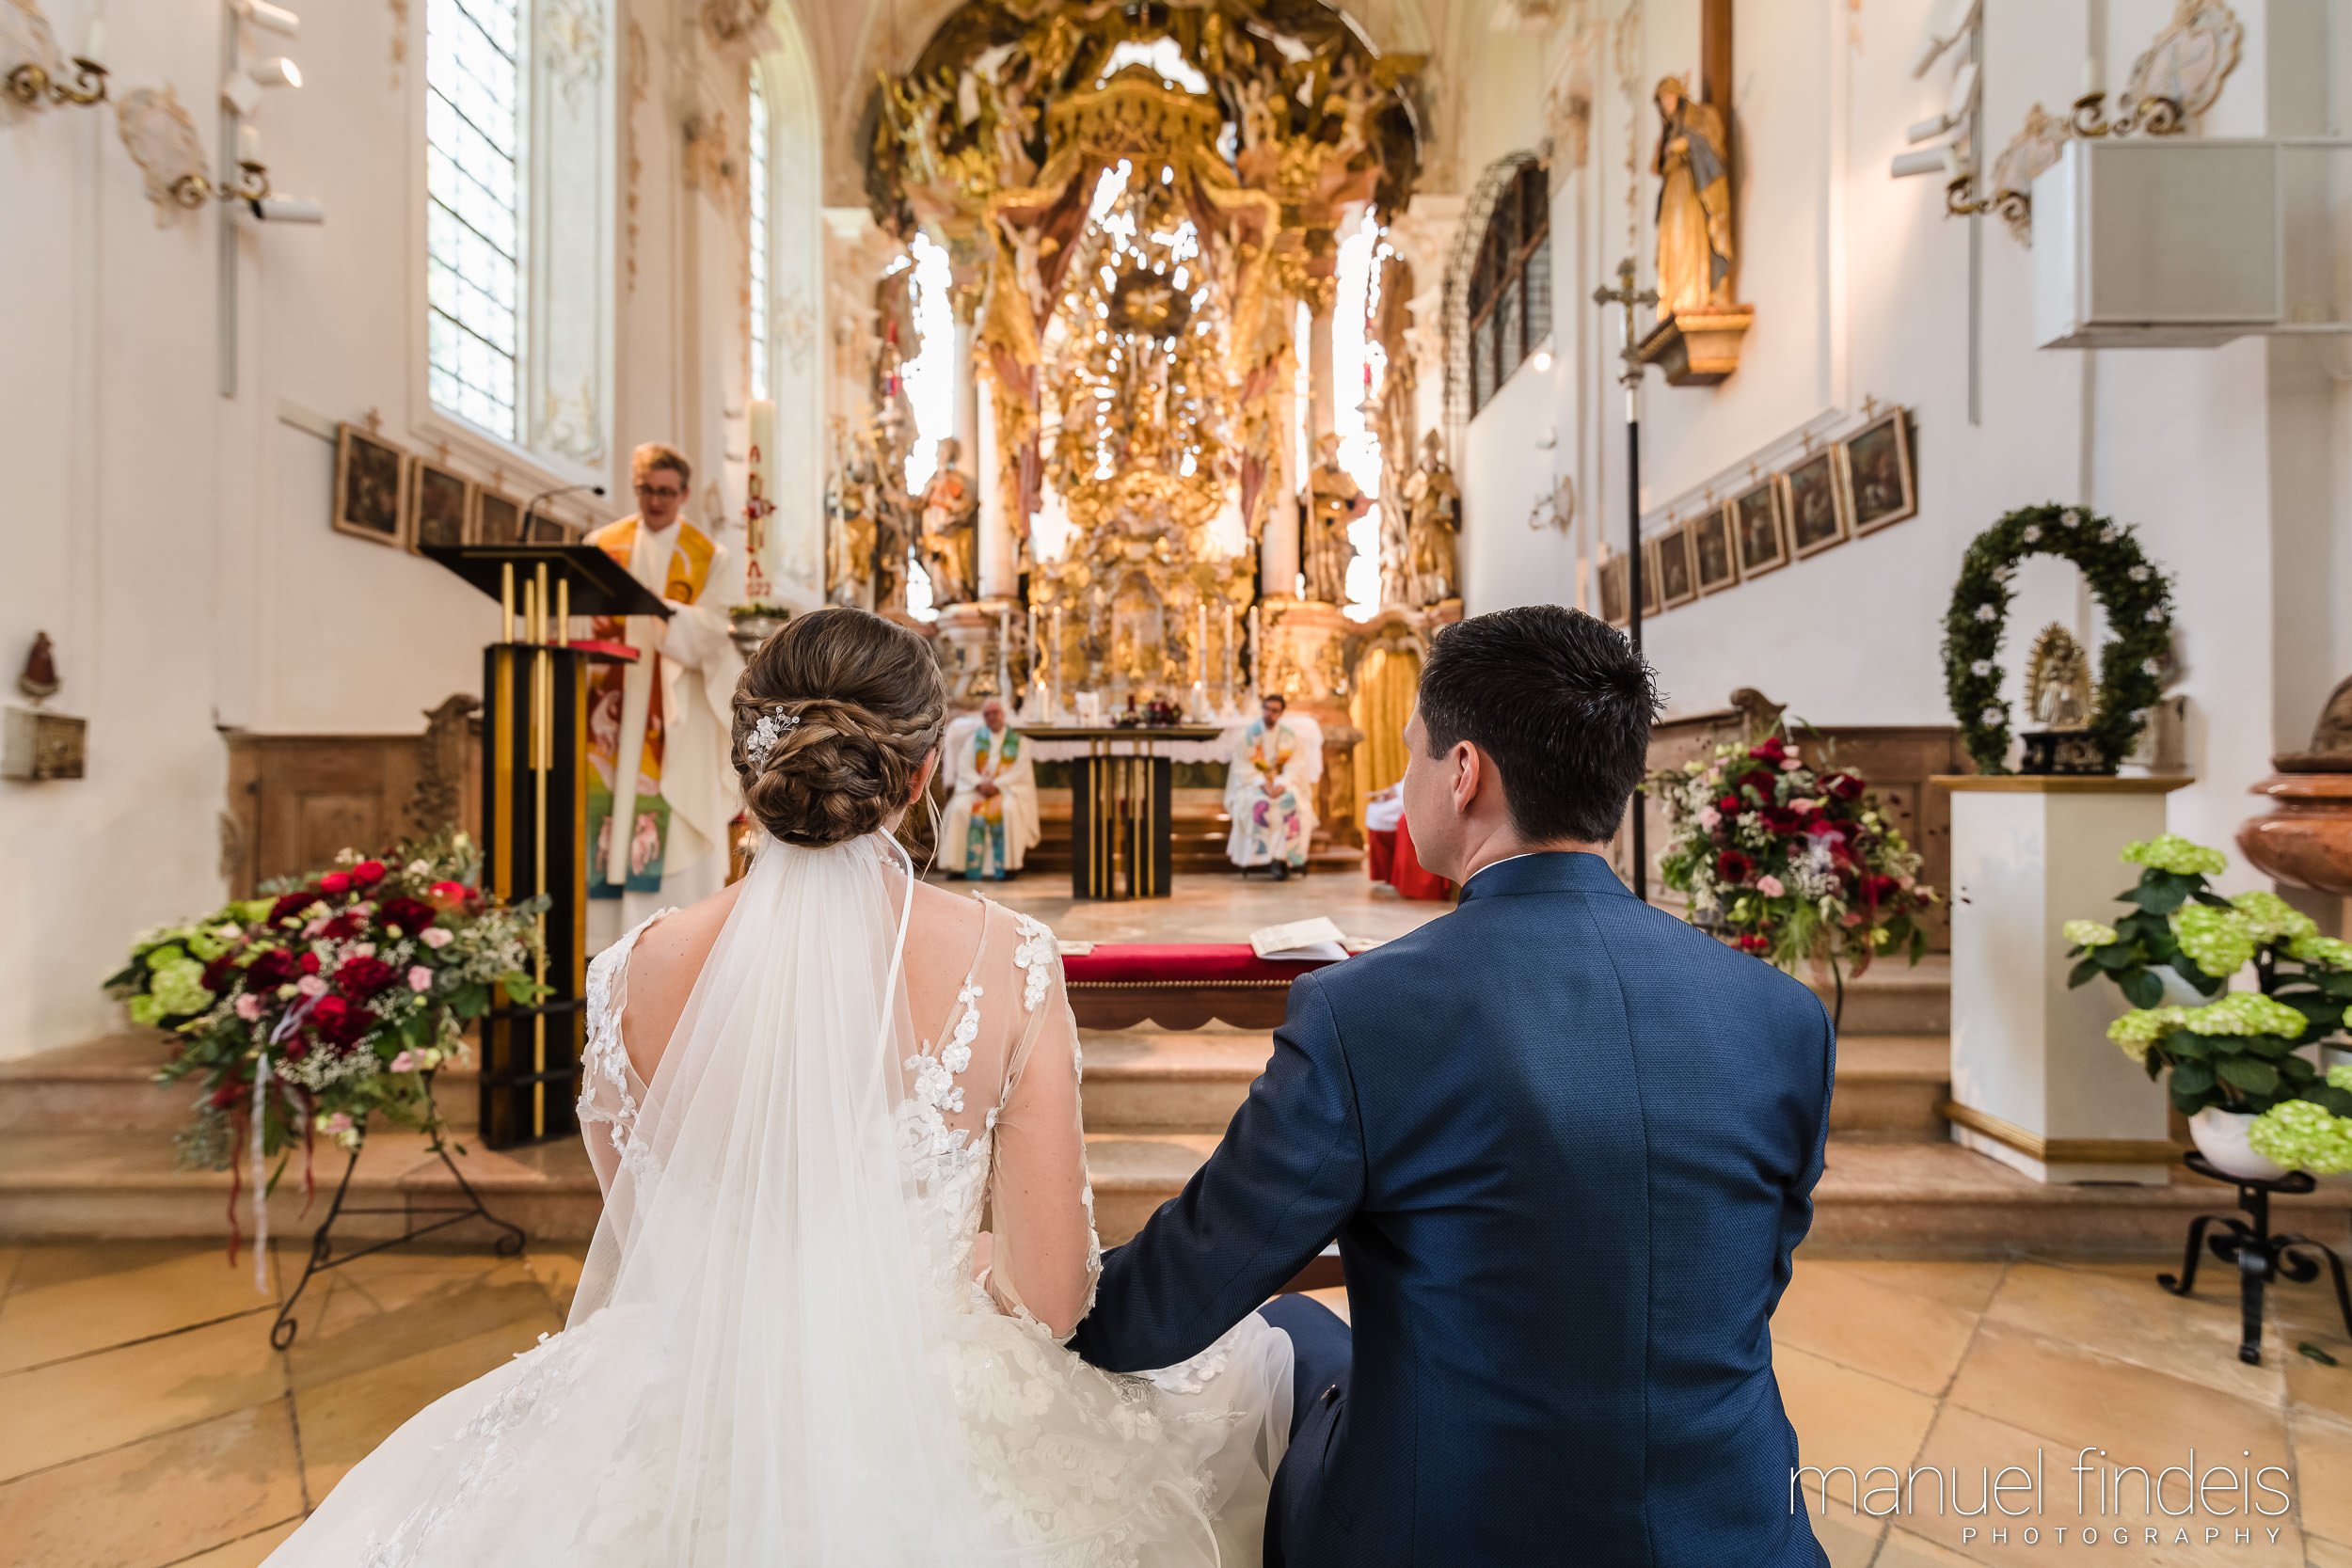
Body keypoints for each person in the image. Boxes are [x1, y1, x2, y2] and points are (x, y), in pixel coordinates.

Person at [264, 608, 1295, 1566]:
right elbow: (1055, 1300)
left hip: (694, 1400)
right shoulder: (1009, 959)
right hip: (935, 1410)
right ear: (924, 772)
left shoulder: (627, 972)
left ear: (750, 765)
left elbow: (656, 1242)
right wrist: (969, 1264)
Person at [1074, 605, 1836, 1568]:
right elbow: (1750, 1276)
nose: (1406, 781)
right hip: (1738, 1533)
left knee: (1282, 1335)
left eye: (1411, 754)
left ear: (1464, 771)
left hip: (1441, 1536)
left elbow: (1172, 1300)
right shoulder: (1783, 1015)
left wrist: (1028, 1297)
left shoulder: (1366, 1010)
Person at [583, 443, 744, 953]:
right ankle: (604, 940)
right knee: (607, 809)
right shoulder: (601, 547)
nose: (656, 501)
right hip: (610, 702)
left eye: (666, 492)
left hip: (676, 708)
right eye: (646, 490)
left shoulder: (708, 557)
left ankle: (677, 940)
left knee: (675, 813)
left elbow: (717, 630)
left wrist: (663, 613)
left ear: (685, 494)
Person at [936, 696, 1041, 879]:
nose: (992, 717)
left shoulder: (1019, 743)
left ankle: (1008, 867)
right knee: (959, 808)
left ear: (1003, 715)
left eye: (995, 713)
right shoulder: (975, 740)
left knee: (1009, 810)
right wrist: (978, 783)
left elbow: (1020, 772)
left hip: (1005, 790)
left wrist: (996, 785)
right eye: (987, 714)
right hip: (977, 789)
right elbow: (965, 766)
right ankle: (959, 867)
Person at [1224, 692, 1320, 879]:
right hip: (1254, 785)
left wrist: (1282, 784)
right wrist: (1262, 784)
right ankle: (1260, 857)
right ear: (1262, 709)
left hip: (1283, 785)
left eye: (1275, 711)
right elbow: (1242, 767)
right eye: (1267, 709)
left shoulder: (1290, 737)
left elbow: (1297, 765)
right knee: (1258, 804)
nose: (1270, 714)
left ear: (1281, 713)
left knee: (1292, 803)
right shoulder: (1248, 737)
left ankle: (1282, 859)